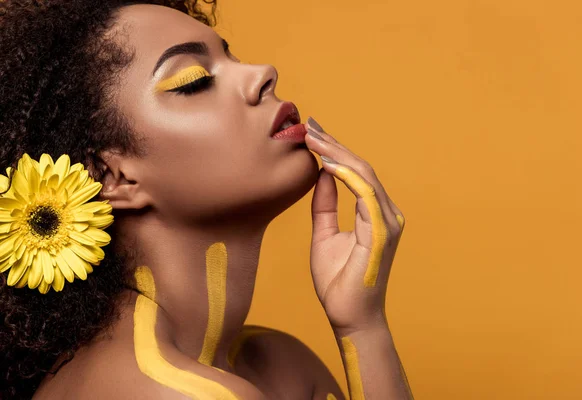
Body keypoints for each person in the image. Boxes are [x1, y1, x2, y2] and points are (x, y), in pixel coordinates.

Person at [0, 1, 413, 399]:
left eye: (231, 57)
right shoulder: (181, 393)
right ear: (112, 177)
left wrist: (362, 324)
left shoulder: (286, 365)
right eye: (194, 81)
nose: (263, 73)